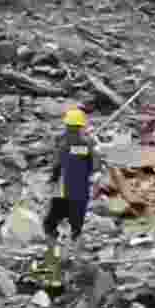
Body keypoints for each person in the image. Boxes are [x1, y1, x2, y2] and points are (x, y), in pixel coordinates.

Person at [34, 107, 98, 290]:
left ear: (67, 126)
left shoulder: (63, 144)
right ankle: (72, 261)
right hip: (79, 194)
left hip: (62, 193)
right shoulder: (86, 145)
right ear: (81, 127)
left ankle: (54, 257)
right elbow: (94, 167)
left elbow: (57, 167)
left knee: (49, 225)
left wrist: (51, 181)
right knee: (76, 229)